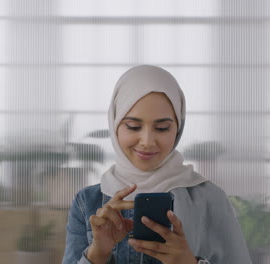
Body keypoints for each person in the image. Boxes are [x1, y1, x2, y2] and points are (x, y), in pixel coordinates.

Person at [62, 65, 251, 264]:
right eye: (133, 126)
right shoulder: (87, 203)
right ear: (115, 124)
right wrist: (97, 254)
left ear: (177, 129)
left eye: (162, 128)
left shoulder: (210, 199)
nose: (147, 141)